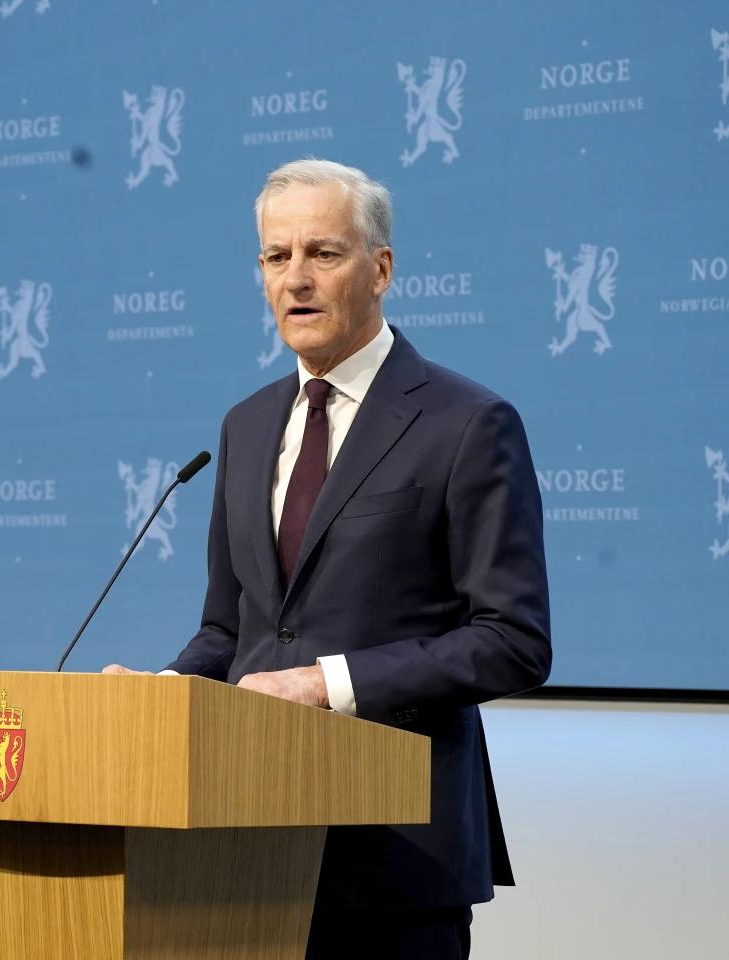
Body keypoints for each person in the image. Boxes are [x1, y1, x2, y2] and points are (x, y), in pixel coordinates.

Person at [104, 159, 551, 959]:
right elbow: (231, 628)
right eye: (276, 258)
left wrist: (325, 684)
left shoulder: (467, 423)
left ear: (381, 269)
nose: (296, 280)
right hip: (241, 850)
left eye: (323, 253)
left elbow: (513, 640)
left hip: (396, 861)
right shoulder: (245, 426)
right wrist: (167, 697)